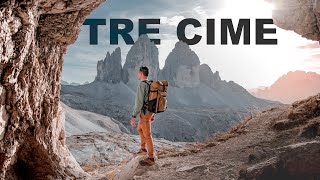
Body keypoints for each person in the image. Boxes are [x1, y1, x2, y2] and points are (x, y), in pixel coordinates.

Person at [130, 66, 156, 166]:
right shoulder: (150, 83)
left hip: (145, 113)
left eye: (138, 73)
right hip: (149, 112)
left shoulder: (142, 84)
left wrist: (133, 116)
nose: (137, 75)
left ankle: (150, 158)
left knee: (148, 135)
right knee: (140, 129)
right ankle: (143, 149)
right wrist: (153, 114)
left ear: (141, 73)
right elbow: (154, 100)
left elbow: (139, 102)